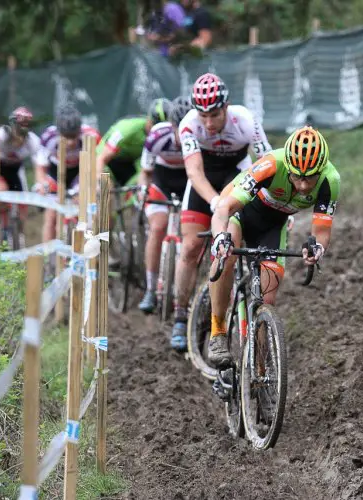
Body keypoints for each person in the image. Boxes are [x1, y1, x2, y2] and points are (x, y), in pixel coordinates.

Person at [206, 126, 340, 366]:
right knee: (226, 256)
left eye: (309, 177)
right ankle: (217, 332)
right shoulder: (271, 165)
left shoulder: (330, 181)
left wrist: (316, 250)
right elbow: (224, 209)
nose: (302, 185)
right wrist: (219, 237)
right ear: (288, 166)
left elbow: (320, 232)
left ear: (320, 170)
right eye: (296, 176)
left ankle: (258, 371)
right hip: (241, 212)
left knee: (267, 300)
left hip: (272, 226)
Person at [169, 72, 272, 351]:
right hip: (204, 183)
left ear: (226, 106)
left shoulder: (246, 120)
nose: (209, 122)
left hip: (237, 176)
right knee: (190, 246)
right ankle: (180, 314)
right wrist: (215, 202)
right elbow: (194, 171)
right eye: (203, 115)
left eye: (214, 114)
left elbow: (267, 163)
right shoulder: (189, 125)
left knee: (235, 241)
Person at [138, 96, 194, 313]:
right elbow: (145, 173)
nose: (182, 134)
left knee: (189, 235)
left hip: (188, 182)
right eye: (177, 128)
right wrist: (143, 190)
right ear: (171, 125)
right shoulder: (157, 136)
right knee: (158, 227)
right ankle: (150, 290)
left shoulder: (199, 135)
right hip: (162, 182)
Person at [33, 104, 101, 243]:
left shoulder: (91, 135)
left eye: (74, 136)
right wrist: (42, 184)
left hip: (79, 172)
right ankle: (48, 257)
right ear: (58, 132)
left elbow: (96, 165)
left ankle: (84, 247)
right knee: (51, 216)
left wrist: (93, 184)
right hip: (55, 173)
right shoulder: (48, 138)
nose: (70, 142)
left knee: (82, 206)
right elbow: (40, 168)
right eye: (66, 136)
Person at [0, 107, 47, 237]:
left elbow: (39, 169)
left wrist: (40, 187)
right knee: (1, 190)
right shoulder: (0, 135)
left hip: (16, 170)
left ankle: (18, 236)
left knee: (23, 204)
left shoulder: (33, 141)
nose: (19, 138)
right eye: (18, 128)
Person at [95, 97, 173, 189]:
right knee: (105, 191)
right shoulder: (127, 129)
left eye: (163, 128)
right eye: (155, 125)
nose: (158, 131)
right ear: (148, 119)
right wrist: (100, 182)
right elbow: (101, 159)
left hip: (131, 165)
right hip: (108, 161)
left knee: (141, 190)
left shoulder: (166, 136)